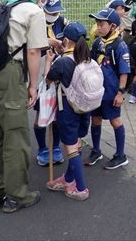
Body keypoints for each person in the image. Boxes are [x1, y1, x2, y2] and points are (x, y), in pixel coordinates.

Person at [0, 0, 52, 213]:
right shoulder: (34, 11)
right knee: (16, 137)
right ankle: (17, 196)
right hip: (9, 76)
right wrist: (32, 85)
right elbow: (32, 52)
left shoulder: (5, 4)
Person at [44, 22, 93, 200]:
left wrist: (49, 62)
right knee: (77, 143)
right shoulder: (88, 58)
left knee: (70, 147)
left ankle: (80, 188)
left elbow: (48, 81)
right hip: (84, 108)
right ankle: (69, 178)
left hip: (68, 109)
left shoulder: (63, 61)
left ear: (66, 39)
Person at [86, 8, 130, 169]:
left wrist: (121, 93)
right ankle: (96, 150)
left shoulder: (120, 45)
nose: (98, 27)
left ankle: (120, 155)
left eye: (101, 24)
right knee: (95, 119)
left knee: (115, 120)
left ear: (112, 26)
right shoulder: (98, 42)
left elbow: (124, 71)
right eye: (97, 23)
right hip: (97, 90)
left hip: (111, 92)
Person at [34, 0, 67, 167]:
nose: (54, 15)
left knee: (57, 114)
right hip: (39, 74)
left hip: (58, 75)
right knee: (41, 114)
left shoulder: (62, 22)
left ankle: (55, 147)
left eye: (56, 12)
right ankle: (42, 148)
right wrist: (51, 42)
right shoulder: (35, 21)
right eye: (50, 12)